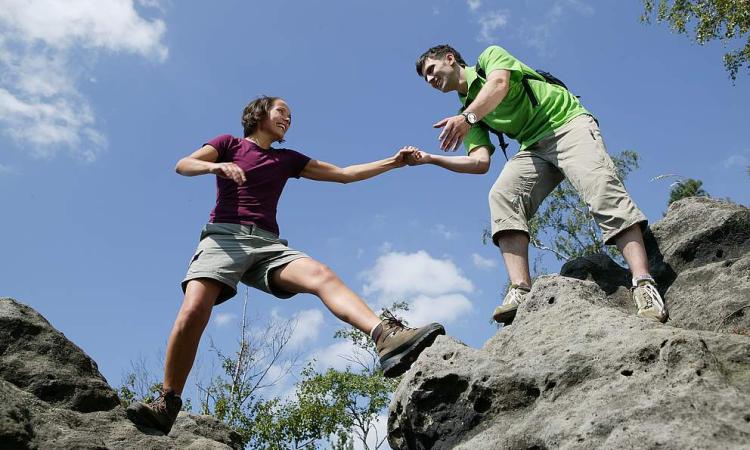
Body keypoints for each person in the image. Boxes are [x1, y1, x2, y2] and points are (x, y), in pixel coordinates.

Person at [126, 95, 445, 434]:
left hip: (268, 245)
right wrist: (214, 166)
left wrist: (394, 162)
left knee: (320, 274)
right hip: (224, 238)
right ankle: (167, 401)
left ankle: (385, 337)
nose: (288, 119)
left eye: (291, 116)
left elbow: (344, 174)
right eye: (282, 112)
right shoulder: (229, 144)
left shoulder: (287, 159)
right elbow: (184, 164)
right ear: (259, 114)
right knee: (193, 311)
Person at [410, 44, 667, 326]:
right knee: (502, 195)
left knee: (601, 189)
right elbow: (479, 163)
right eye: (425, 79)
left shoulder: (489, 60)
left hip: (567, 124)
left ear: (450, 59)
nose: (430, 80)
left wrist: (468, 118)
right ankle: (521, 290)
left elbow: (499, 83)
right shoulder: (467, 113)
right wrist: (431, 159)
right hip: (533, 147)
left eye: (431, 70)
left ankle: (643, 283)